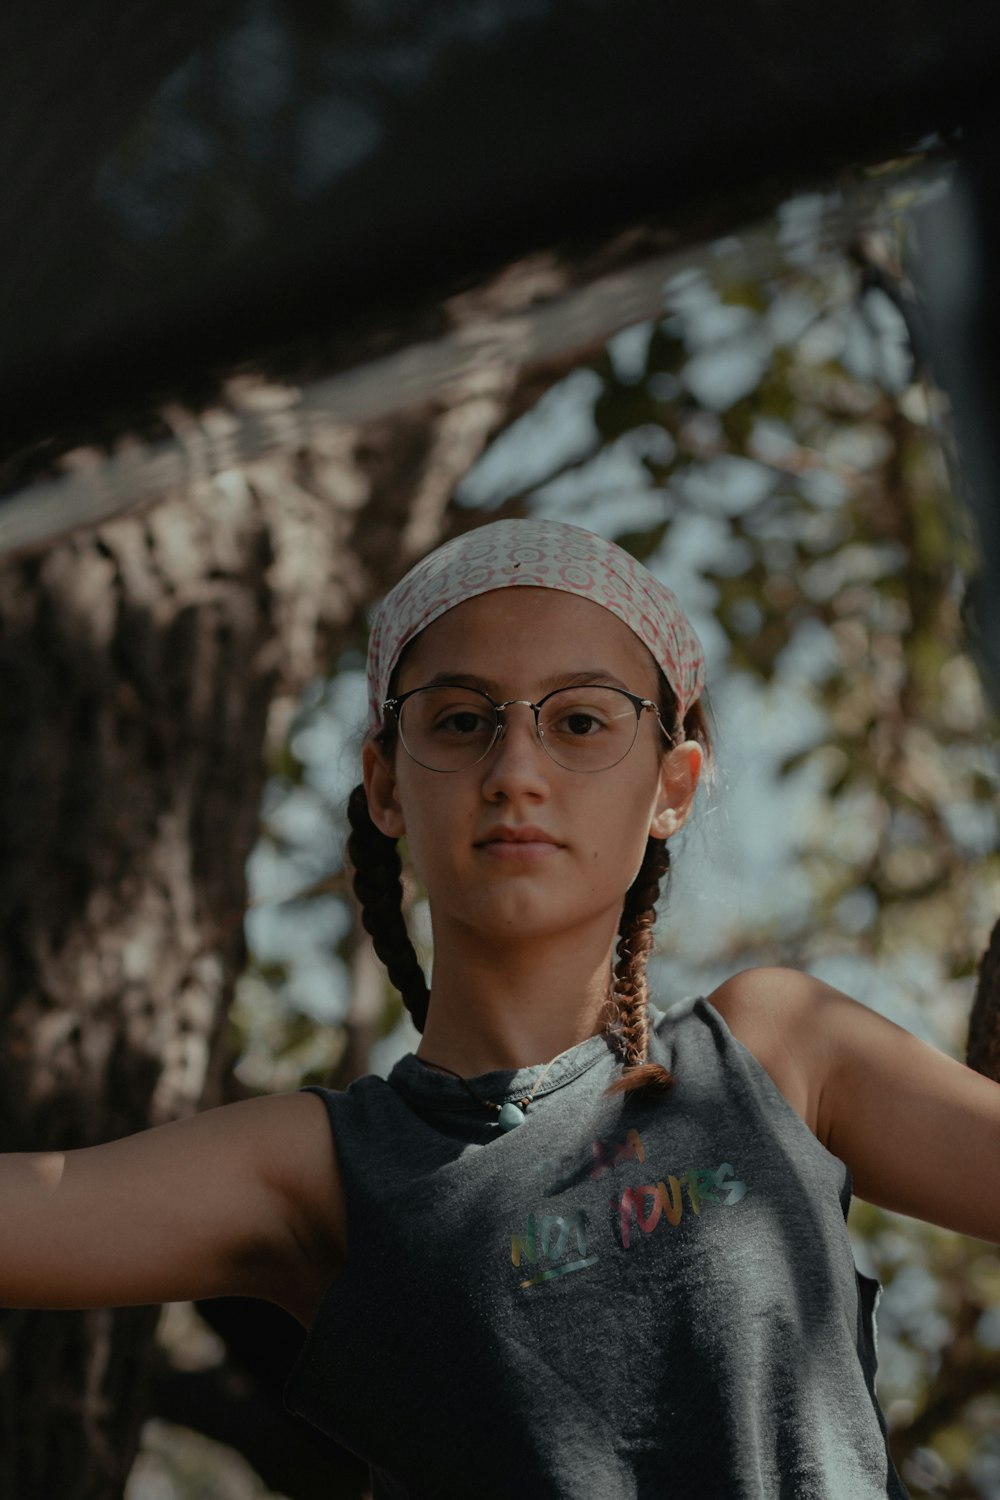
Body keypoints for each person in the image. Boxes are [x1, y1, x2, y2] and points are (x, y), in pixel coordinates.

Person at [2, 517, 999, 1499]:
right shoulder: (319, 1172)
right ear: (386, 784)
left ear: (672, 785)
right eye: (461, 720)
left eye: (579, 721)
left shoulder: (780, 1053)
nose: (515, 774)